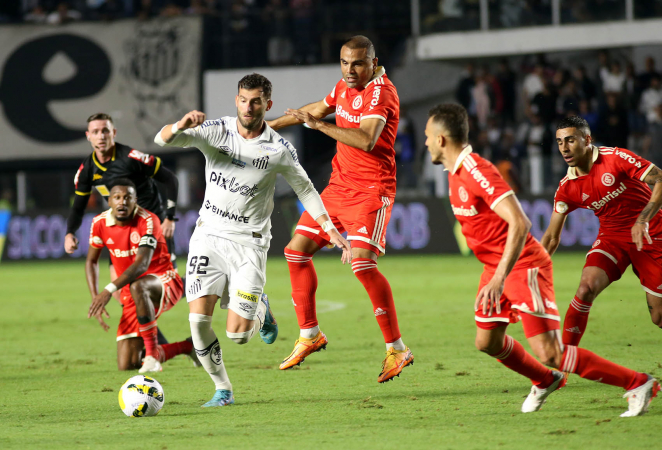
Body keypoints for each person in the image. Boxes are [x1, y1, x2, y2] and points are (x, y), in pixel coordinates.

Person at [425, 104, 659, 417]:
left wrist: (511, 275)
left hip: (521, 265)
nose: (424, 142)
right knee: (487, 341)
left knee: (552, 351)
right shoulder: (456, 174)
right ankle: (546, 377)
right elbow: (549, 235)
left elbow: (520, 223)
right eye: (560, 142)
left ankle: (638, 382)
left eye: (427, 136)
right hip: (501, 267)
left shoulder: (475, 171)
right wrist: (497, 274)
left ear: (441, 139)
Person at [154, 73, 352, 407]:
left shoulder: (279, 148)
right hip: (209, 237)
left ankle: (261, 306)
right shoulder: (217, 131)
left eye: (256, 101)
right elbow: (163, 141)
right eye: (244, 100)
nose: (249, 107)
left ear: (267, 104)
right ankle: (223, 389)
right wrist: (180, 124)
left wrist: (329, 227)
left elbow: (305, 187)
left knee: (238, 335)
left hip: (250, 243)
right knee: (198, 322)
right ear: (236, 100)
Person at [267, 35, 414, 383]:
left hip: (371, 192)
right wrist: (263, 129)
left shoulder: (382, 93)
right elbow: (315, 110)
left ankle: (397, 348)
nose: (350, 70)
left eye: (358, 63)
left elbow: (366, 139)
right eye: (345, 63)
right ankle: (310, 334)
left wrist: (319, 126)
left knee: (362, 264)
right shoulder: (344, 87)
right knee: (295, 252)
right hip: (337, 188)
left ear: (373, 63)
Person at [541, 115, 662, 348]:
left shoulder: (615, 158)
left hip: (651, 234)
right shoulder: (567, 187)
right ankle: (564, 362)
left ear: (588, 139)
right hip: (612, 239)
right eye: (559, 142)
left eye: (570, 141)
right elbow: (551, 236)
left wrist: (643, 219)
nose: (564, 148)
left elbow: (660, 178)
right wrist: (531, 271)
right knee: (585, 288)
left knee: (658, 317)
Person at [65, 114, 180, 309]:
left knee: (164, 289)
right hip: (120, 229)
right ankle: (151, 339)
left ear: (114, 133)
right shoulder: (87, 170)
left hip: (150, 227)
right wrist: (70, 232)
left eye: (105, 131)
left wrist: (169, 218)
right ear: (88, 136)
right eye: (95, 132)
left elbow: (170, 179)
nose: (101, 136)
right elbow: (78, 205)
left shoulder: (131, 158)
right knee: (122, 296)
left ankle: (206, 285)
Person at [86, 179, 195, 373]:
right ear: (109, 201)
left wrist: (108, 290)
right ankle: (187, 347)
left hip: (164, 281)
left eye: (128, 197)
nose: (122, 202)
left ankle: (152, 355)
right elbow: (91, 262)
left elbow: (141, 264)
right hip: (132, 292)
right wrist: (96, 297)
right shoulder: (99, 223)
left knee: (139, 286)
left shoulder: (148, 220)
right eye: (117, 197)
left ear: (135, 200)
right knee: (128, 364)